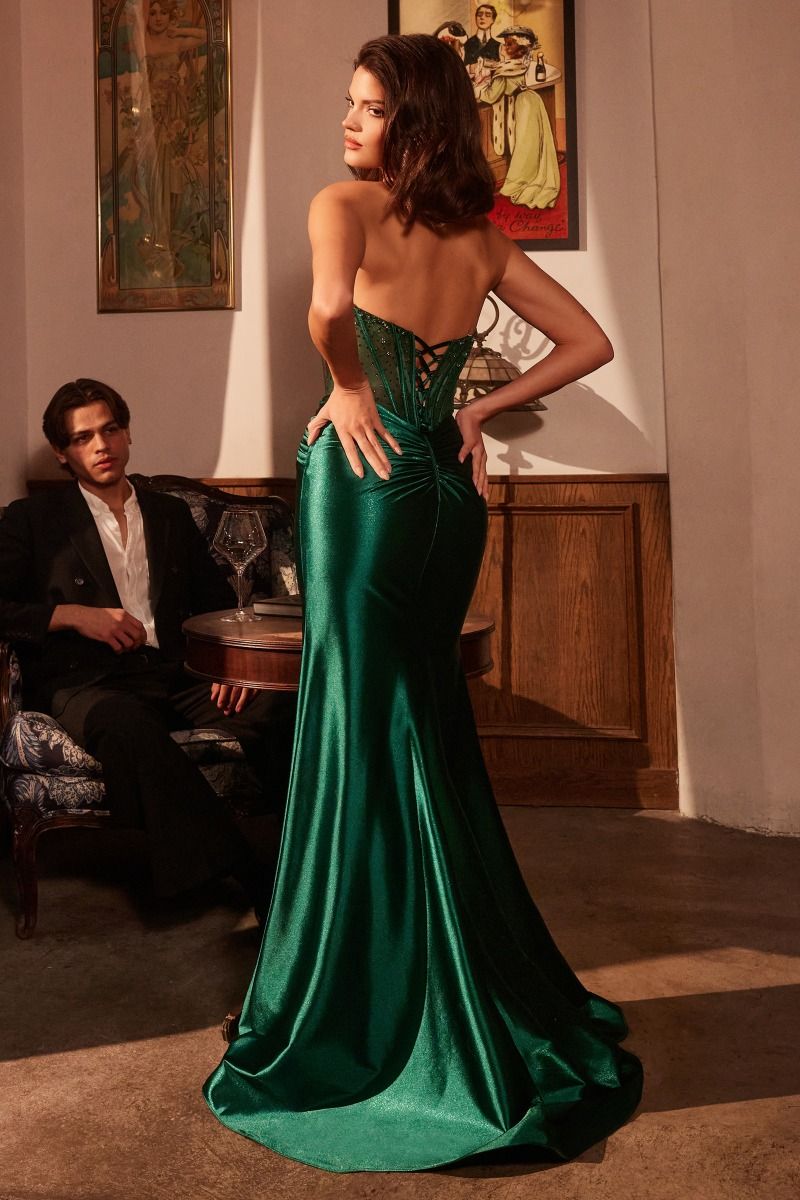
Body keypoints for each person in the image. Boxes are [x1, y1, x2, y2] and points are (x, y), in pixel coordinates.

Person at [204, 34, 643, 1172]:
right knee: (422, 722)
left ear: (414, 123)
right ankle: (445, 978)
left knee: (359, 723)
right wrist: (474, 415)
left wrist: (349, 386)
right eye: (348, 105)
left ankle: (357, 1006)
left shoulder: (339, 205)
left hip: (362, 484)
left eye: (367, 107)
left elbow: (326, 315)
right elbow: (591, 343)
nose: (347, 123)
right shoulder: (480, 240)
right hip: (445, 494)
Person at [0, 379, 294, 916]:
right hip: (87, 681)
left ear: (128, 432)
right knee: (128, 727)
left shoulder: (169, 514)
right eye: (82, 437)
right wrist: (75, 615)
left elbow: (218, 604)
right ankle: (249, 872)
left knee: (283, 706)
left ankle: (314, 860)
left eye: (110, 429)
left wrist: (229, 669)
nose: (101, 445)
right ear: (63, 453)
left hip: (177, 671)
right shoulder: (32, 519)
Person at [473, 26, 561, 210]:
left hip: (523, 107)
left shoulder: (507, 69)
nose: (505, 47)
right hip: (531, 101)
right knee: (531, 145)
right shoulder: (519, 63)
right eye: (505, 43)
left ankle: (520, 183)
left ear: (521, 48)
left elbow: (491, 96)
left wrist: (479, 87)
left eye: (510, 44)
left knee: (525, 146)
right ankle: (532, 178)